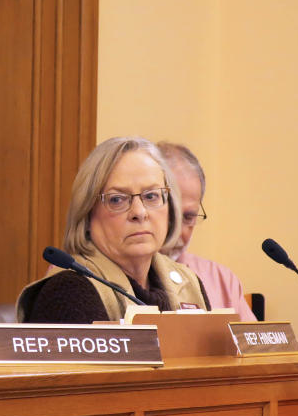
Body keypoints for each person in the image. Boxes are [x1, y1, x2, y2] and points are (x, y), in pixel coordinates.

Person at [17, 136, 209, 323]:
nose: (139, 213)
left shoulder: (189, 282)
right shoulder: (68, 292)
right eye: (117, 199)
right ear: (87, 212)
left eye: (151, 196)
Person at [158, 142, 257, 321]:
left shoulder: (222, 280)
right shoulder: (115, 278)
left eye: (188, 217)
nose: (177, 232)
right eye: (169, 215)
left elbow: (256, 349)